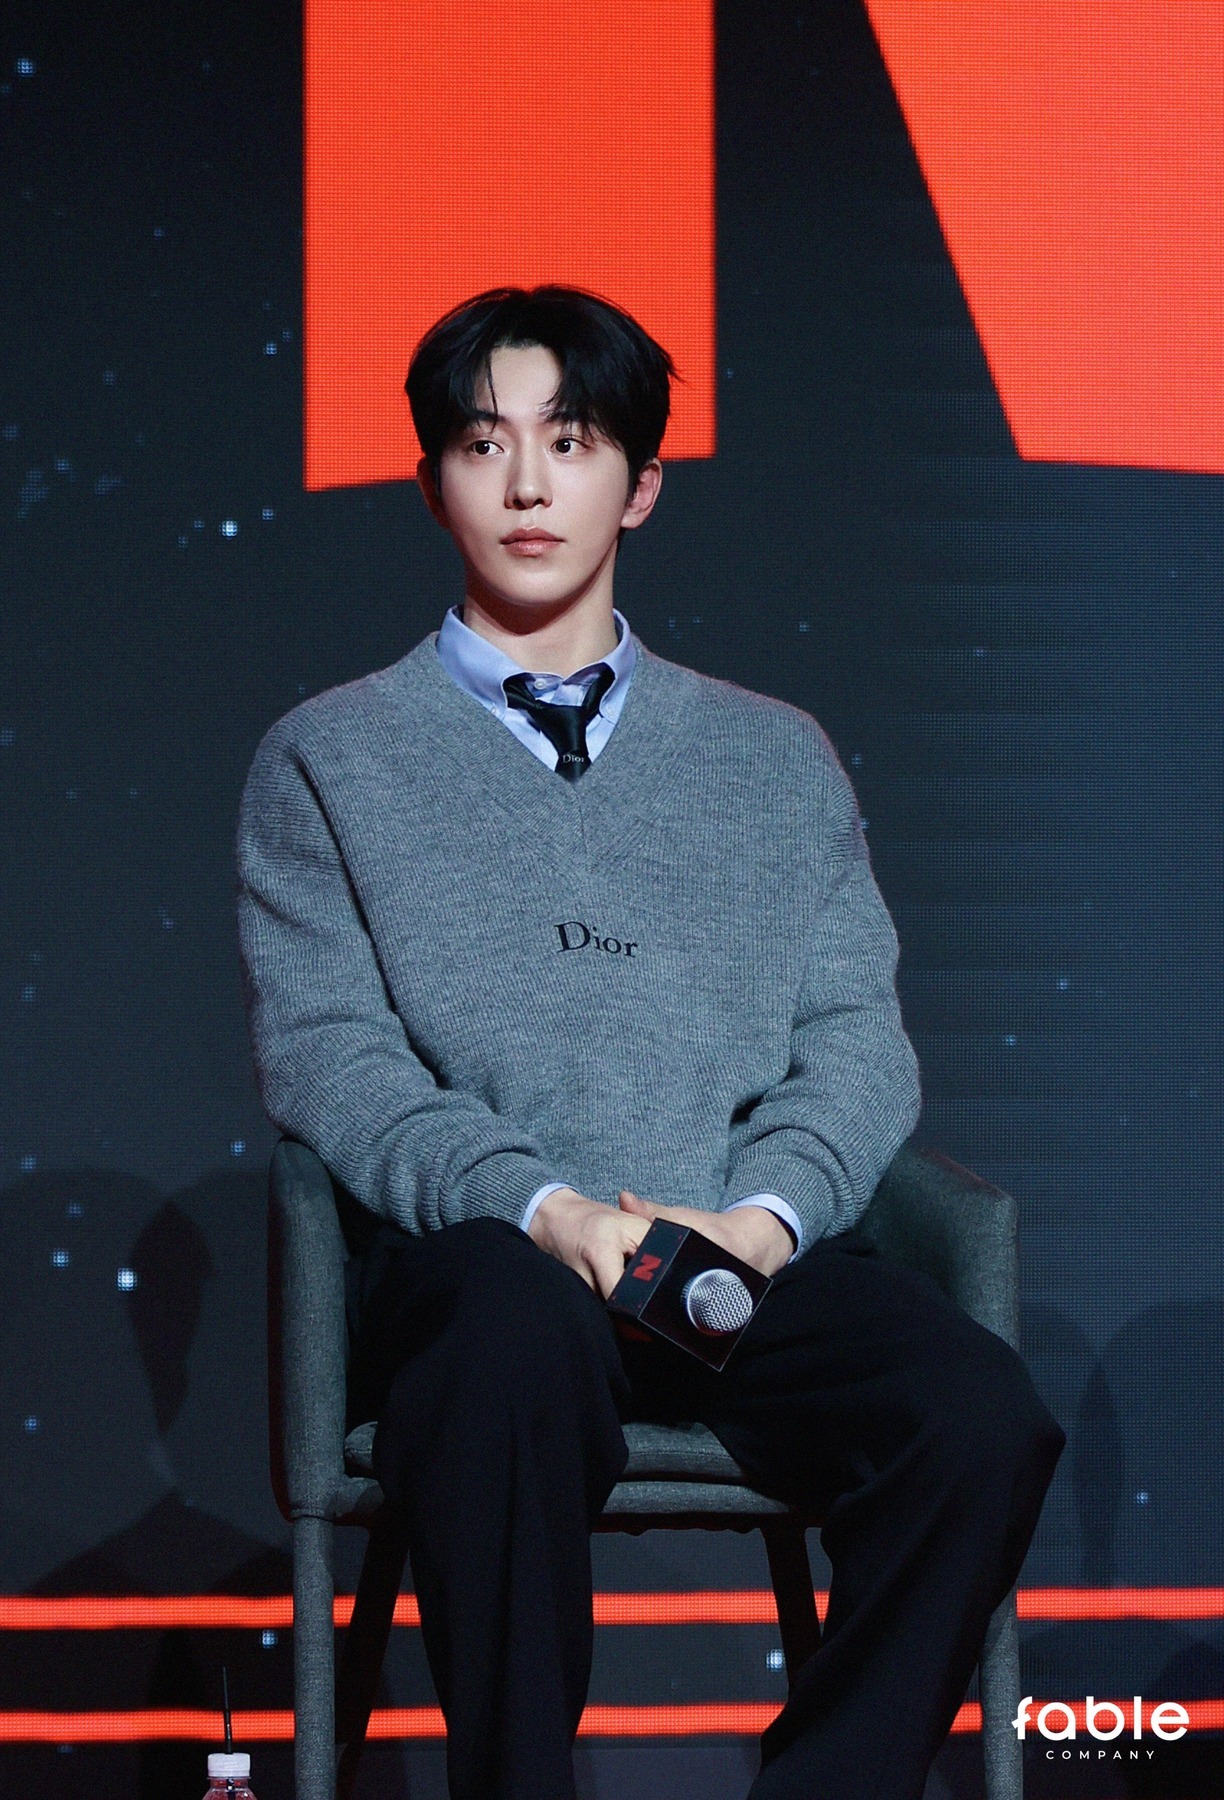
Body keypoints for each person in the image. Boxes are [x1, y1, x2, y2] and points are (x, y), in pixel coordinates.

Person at [235, 283, 1064, 1800]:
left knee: (979, 1418)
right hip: (490, 1265)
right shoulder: (329, 756)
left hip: (731, 1261)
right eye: (483, 443)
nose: (527, 485)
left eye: (571, 441)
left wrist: (758, 1224)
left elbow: (854, 1044)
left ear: (642, 486)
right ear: (431, 483)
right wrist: (551, 1213)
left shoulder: (773, 756)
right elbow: (335, 1063)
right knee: (510, 1338)